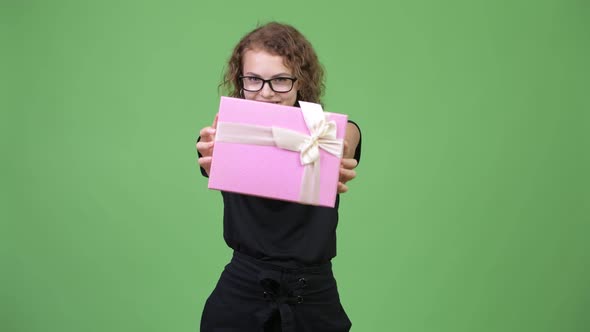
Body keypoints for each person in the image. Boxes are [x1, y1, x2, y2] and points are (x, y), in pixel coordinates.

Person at [196, 22, 362, 332]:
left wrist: (344, 144)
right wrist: (209, 155)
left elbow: (349, 132)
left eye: (281, 80)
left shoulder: (322, 136)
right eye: (254, 80)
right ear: (240, 80)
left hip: (314, 301)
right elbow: (209, 157)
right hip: (240, 300)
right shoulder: (226, 137)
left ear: (301, 82)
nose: (266, 93)